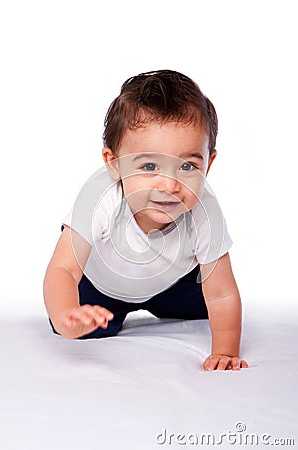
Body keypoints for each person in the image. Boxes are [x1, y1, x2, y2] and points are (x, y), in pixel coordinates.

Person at [43, 69, 248, 371]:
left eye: (188, 166)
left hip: (173, 284)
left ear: (209, 163)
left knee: (209, 307)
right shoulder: (99, 199)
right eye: (150, 165)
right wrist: (67, 315)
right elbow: (63, 269)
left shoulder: (206, 211)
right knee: (87, 323)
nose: (169, 185)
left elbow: (222, 291)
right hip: (104, 287)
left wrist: (225, 351)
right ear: (114, 164)